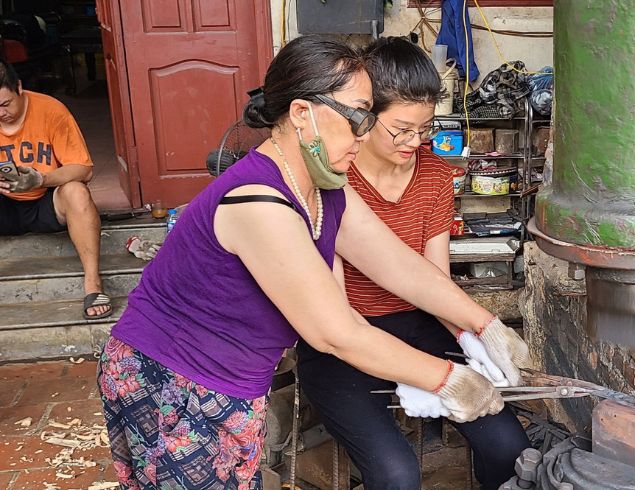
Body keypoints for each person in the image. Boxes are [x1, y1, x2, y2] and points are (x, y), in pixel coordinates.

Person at [97, 35, 530, 489]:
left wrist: (484, 325)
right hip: (175, 378)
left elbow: (398, 264)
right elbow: (335, 332)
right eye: (359, 117)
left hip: (235, 379)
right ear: (302, 114)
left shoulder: (325, 187)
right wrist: (448, 379)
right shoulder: (259, 202)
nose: (364, 136)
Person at [296, 37, 530, 490]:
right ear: (364, 117)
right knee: (395, 473)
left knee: (509, 447)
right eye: (400, 129)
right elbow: (337, 319)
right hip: (344, 340)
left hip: (420, 327)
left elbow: (433, 282)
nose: (414, 142)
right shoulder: (331, 181)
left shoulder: (435, 174)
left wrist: (476, 335)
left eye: (423, 129)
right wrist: (428, 375)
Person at [0, 61, 111, 320]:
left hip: (45, 203)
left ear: (19, 87)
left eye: (5, 104)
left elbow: (84, 170)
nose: (1, 113)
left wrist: (41, 179)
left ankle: (93, 284)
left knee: (76, 191)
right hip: (4, 205)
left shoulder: (50, 109)